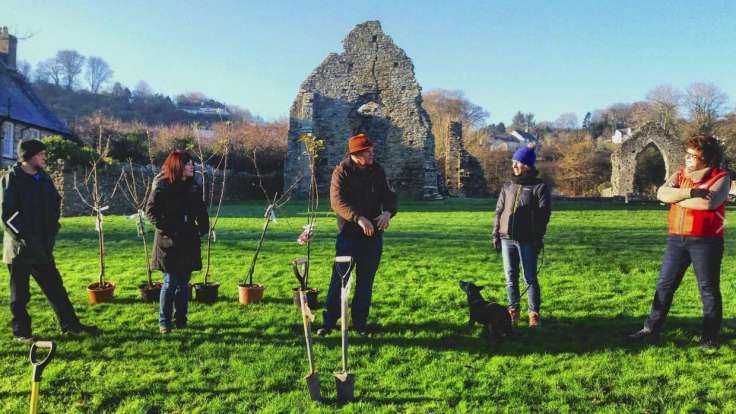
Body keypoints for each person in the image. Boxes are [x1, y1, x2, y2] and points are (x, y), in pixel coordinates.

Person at [628, 135, 730, 350]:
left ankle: (710, 337)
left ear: (707, 158)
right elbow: (662, 193)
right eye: (687, 154)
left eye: (693, 155)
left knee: (708, 289)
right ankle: (650, 328)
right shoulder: (680, 174)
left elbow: (708, 203)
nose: (688, 158)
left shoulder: (720, 177)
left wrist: (676, 198)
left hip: (707, 241)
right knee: (665, 285)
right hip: (677, 238)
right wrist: (689, 192)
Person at [1, 139, 99, 342]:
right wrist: (26, 238)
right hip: (20, 249)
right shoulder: (12, 178)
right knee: (20, 296)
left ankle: (70, 326)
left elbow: (55, 204)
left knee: (56, 289)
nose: (45, 157)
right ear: (28, 156)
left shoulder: (43, 178)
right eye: (42, 154)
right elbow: (8, 215)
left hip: (43, 247)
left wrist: (52, 229)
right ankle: (22, 334)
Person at [317, 133, 397, 336]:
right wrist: (358, 218)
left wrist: (388, 212)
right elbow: (337, 202)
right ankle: (329, 322)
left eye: (372, 151)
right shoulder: (341, 172)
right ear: (357, 154)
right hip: (348, 235)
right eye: (368, 152)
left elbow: (389, 196)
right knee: (339, 279)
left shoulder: (377, 171)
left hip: (373, 236)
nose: (373, 154)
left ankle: (360, 323)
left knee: (366, 280)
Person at [146, 150, 208, 334]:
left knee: (184, 282)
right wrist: (171, 229)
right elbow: (151, 212)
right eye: (188, 163)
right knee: (170, 281)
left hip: (188, 239)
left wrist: (203, 227)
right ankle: (164, 322)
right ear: (178, 165)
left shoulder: (193, 185)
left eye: (192, 163)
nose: (192, 166)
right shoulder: (162, 184)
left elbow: (200, 209)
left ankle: (181, 319)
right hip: (169, 241)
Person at [492, 143, 551, 328]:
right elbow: (499, 210)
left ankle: (534, 314)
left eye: (517, 162)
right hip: (506, 238)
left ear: (527, 165)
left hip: (527, 240)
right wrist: (495, 234)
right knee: (510, 277)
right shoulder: (508, 185)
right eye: (513, 163)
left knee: (530, 278)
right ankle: (513, 311)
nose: (514, 166)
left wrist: (537, 238)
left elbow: (544, 215)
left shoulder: (539, 187)